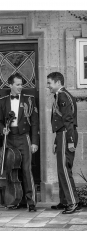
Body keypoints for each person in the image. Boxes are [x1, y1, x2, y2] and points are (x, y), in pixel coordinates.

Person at [0, 73, 39, 212]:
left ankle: (31, 201)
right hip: (9, 138)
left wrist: (34, 142)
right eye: (18, 84)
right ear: (10, 85)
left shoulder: (29, 100)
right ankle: (14, 199)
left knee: (26, 170)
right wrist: (3, 129)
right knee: (11, 170)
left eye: (21, 84)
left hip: (23, 137)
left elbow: (34, 122)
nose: (21, 87)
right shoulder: (3, 101)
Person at [47, 72, 81, 214]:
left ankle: (72, 202)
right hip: (62, 135)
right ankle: (65, 201)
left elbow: (68, 120)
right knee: (62, 169)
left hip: (67, 135)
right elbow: (59, 120)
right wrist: (56, 140)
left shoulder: (62, 96)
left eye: (49, 83)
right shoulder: (60, 95)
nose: (48, 86)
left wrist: (70, 141)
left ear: (58, 82)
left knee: (65, 170)